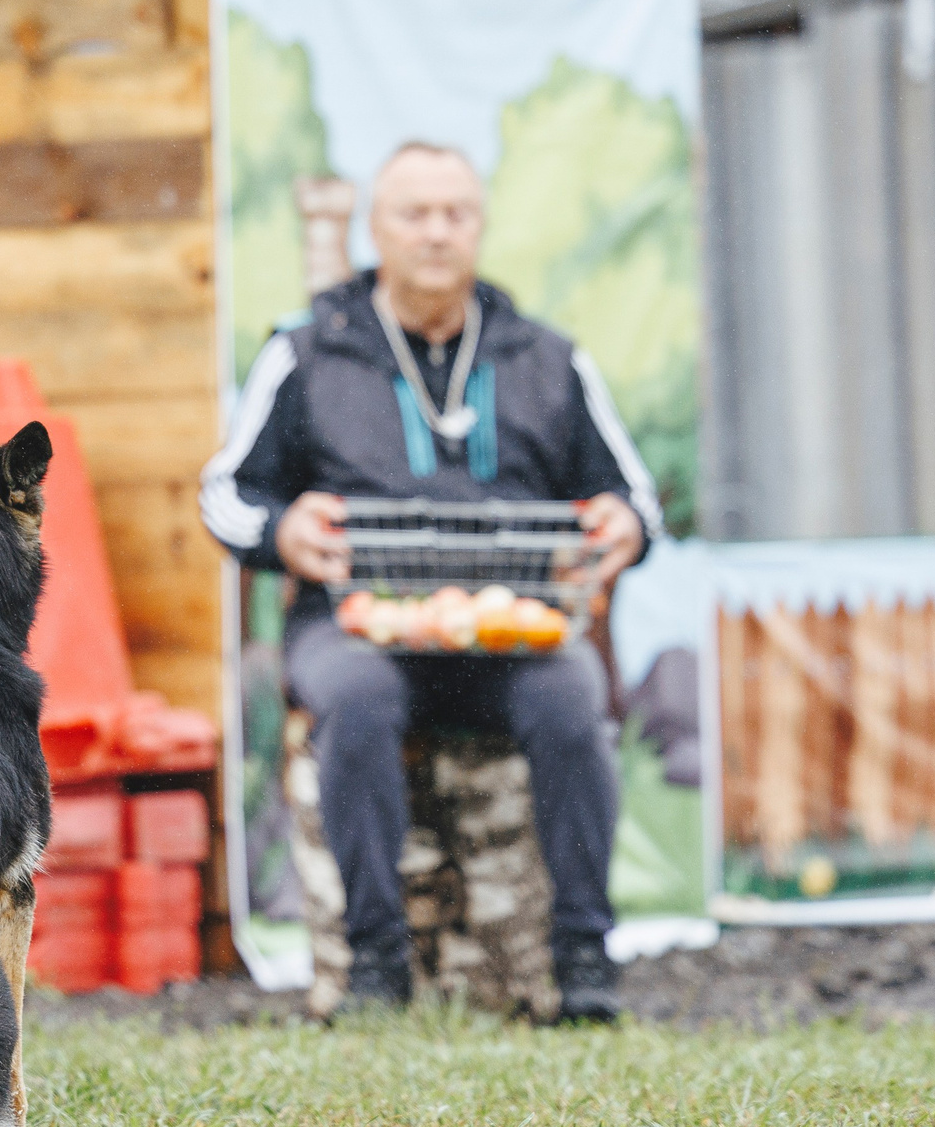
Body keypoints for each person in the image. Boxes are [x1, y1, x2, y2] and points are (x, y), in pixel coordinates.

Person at [200, 142, 658, 1020]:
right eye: (415, 213)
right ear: (377, 228)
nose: (437, 232)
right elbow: (226, 492)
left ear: (480, 225)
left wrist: (623, 525)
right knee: (356, 699)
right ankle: (375, 964)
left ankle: (583, 958)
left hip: (510, 629)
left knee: (574, 697)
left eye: (456, 212)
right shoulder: (307, 351)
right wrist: (281, 528)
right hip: (357, 621)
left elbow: (631, 497)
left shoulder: (547, 357)